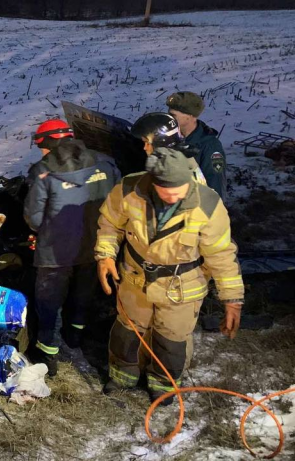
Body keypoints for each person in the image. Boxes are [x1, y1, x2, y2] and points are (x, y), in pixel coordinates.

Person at [95, 148, 243, 405]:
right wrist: (105, 255)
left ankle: (163, 384)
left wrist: (232, 300)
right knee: (128, 332)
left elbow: (221, 254)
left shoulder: (207, 204)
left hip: (182, 288)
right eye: (168, 192)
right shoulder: (129, 189)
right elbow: (110, 224)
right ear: (153, 182)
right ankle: (122, 376)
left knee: (171, 339)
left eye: (181, 190)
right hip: (135, 279)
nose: (176, 197)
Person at [24, 119, 120, 376]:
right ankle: (74, 339)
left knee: (48, 303)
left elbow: (33, 218)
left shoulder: (43, 171)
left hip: (54, 253)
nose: (42, 153)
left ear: (48, 144)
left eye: (41, 147)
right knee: (82, 296)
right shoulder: (105, 162)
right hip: (95, 246)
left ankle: (48, 354)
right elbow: (117, 202)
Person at [166, 92, 227, 199]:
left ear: (190, 116)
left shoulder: (210, 146)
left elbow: (215, 183)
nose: (169, 119)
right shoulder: (169, 138)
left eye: (173, 115)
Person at [131, 112, 207, 187]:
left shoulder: (174, 172)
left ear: (160, 142)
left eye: (147, 143)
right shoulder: (176, 160)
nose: (144, 148)